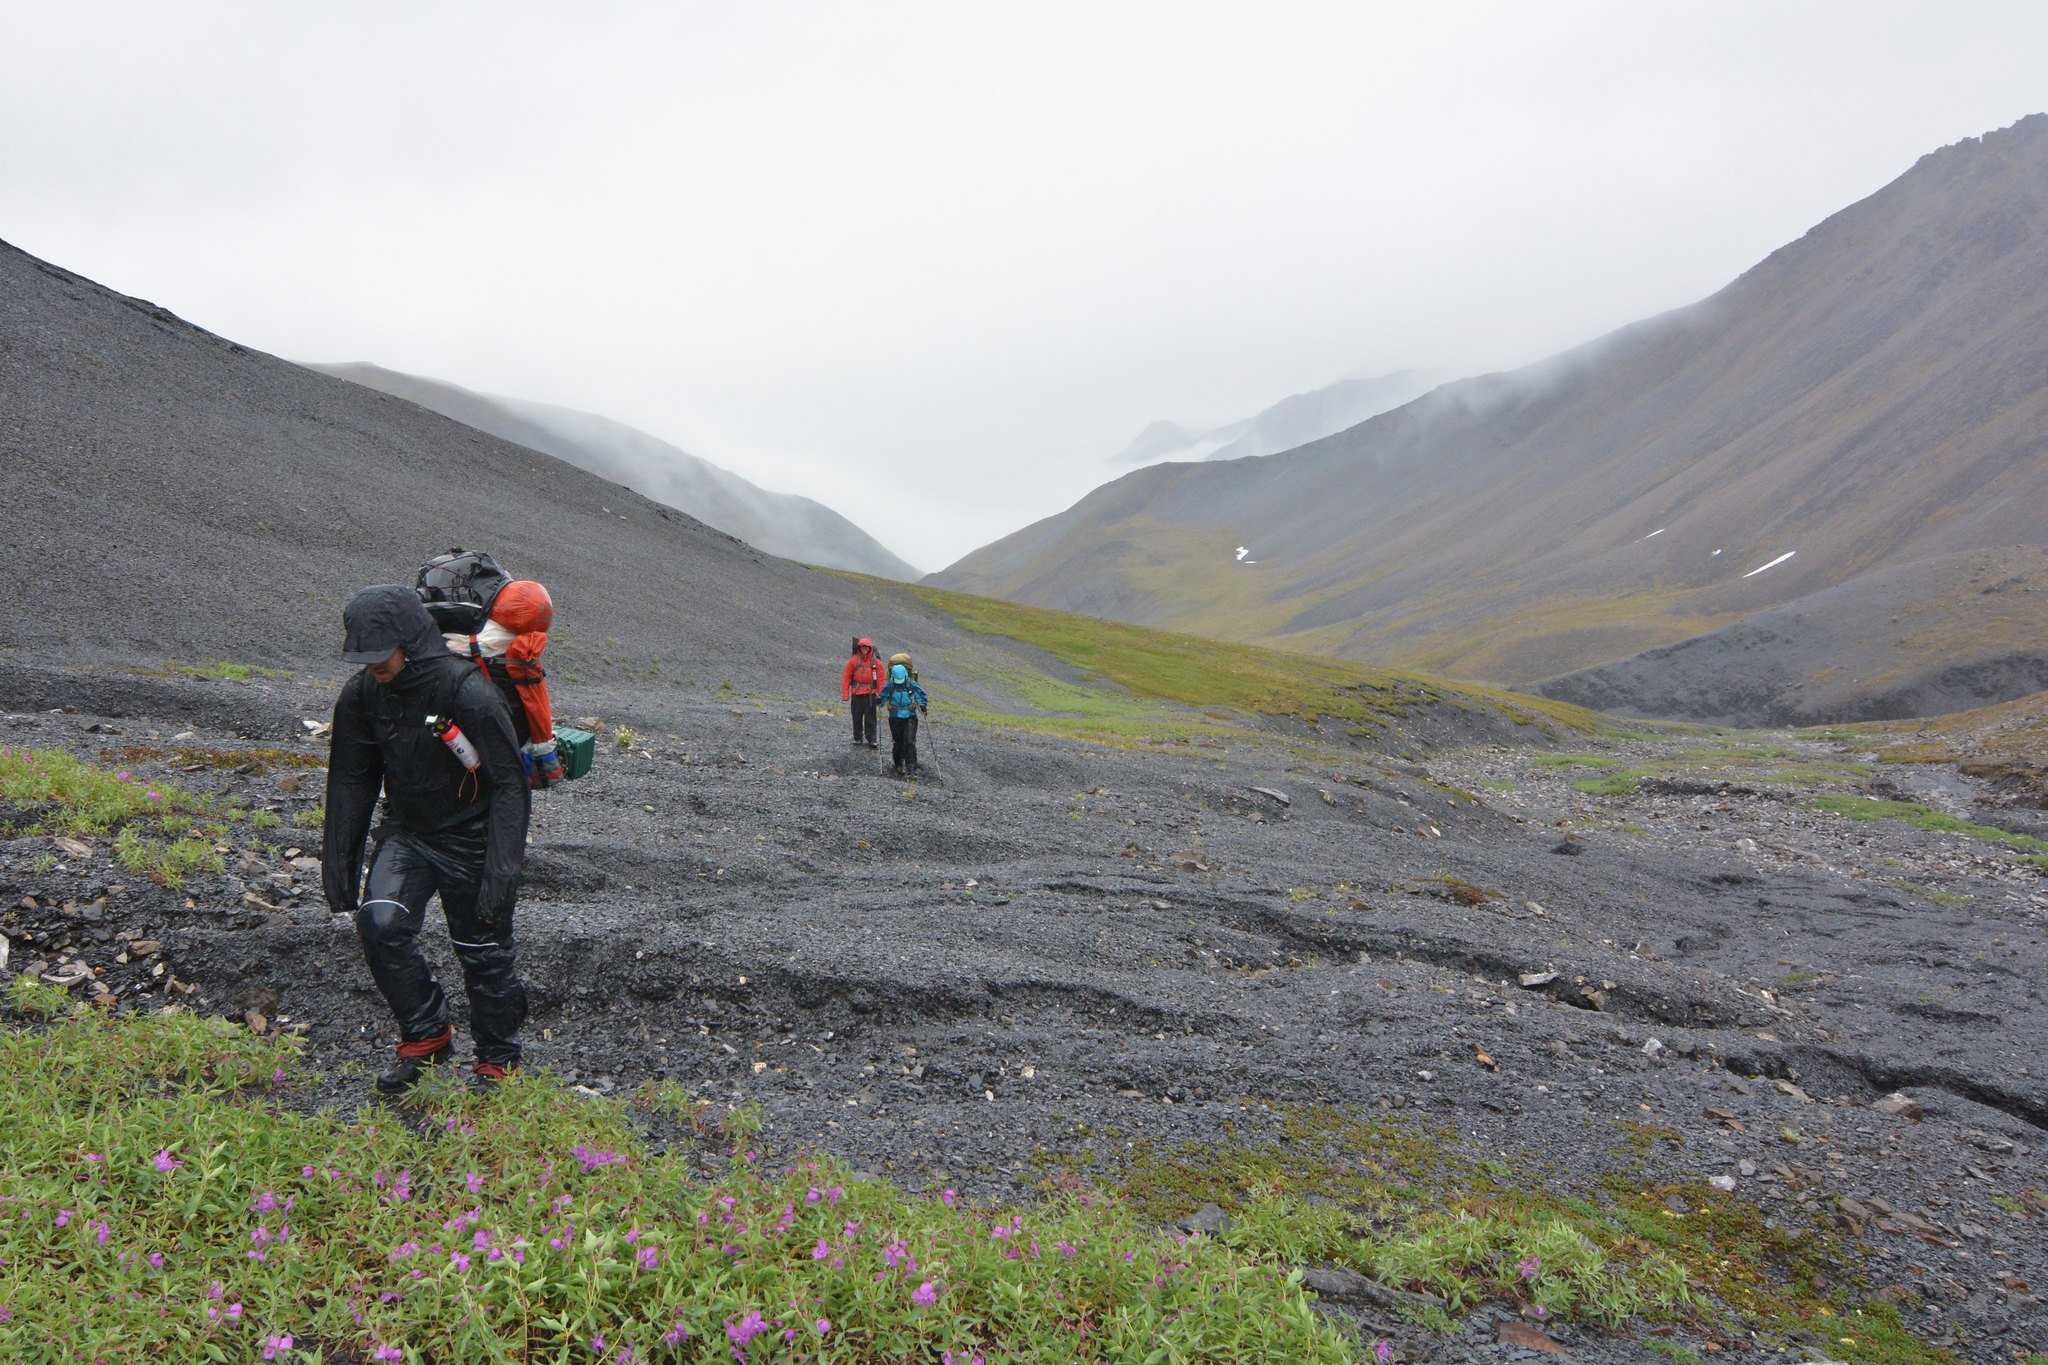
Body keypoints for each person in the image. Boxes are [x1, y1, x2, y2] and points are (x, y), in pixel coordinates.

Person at [321, 585, 532, 1093]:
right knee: (380, 924)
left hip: (473, 840)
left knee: (483, 952)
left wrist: (502, 870)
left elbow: (509, 784)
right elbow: (352, 776)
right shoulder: (363, 694)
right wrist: (339, 864)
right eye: (363, 656)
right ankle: (427, 1038)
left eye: (380, 654)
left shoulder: (469, 693)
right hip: (409, 834)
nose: (373, 666)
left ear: (411, 641)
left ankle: (498, 1060)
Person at [878, 661, 929, 776]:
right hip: (895, 717)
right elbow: (883, 696)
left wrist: (923, 705)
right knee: (898, 742)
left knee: (910, 742)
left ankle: (911, 767)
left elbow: (920, 695)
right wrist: (879, 701)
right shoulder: (890, 684)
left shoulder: (911, 683)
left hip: (910, 717)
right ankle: (898, 764)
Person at [841, 636, 885, 749]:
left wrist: (881, 695)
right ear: (859, 648)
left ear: (869, 648)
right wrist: (845, 694)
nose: (864, 649)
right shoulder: (853, 660)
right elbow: (846, 677)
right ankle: (858, 738)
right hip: (856, 694)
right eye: (862, 647)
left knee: (871, 719)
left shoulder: (876, 662)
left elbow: (881, 679)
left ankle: (872, 739)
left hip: (870, 695)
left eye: (866, 647)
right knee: (856, 717)